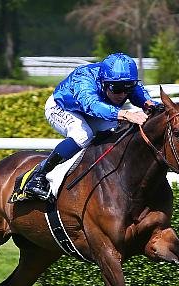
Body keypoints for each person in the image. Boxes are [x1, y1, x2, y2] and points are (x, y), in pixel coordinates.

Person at [23, 52, 157, 201]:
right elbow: (92, 105)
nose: (123, 94)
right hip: (62, 107)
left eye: (128, 89)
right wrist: (126, 114)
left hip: (93, 110)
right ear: (104, 82)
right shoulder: (84, 78)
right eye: (117, 89)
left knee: (119, 131)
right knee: (83, 135)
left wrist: (152, 105)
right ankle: (39, 175)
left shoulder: (121, 81)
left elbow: (143, 98)